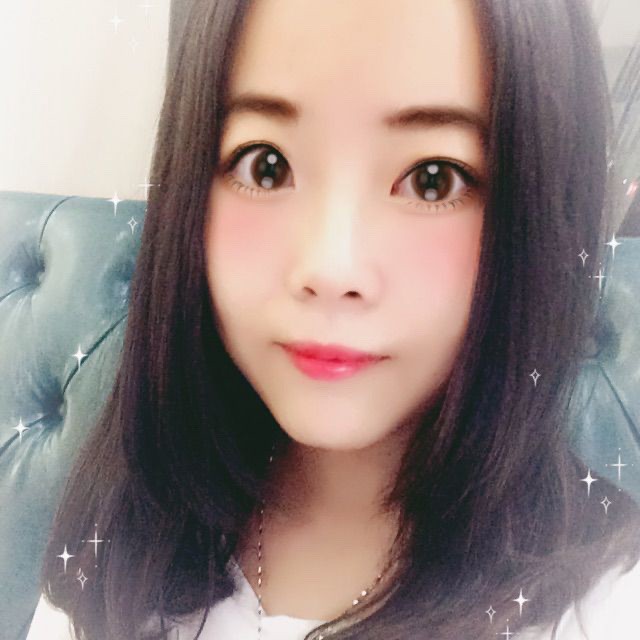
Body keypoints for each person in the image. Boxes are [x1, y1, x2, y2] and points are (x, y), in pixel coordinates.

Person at [26, 0, 640, 639]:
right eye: (265, 165)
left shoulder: (607, 605)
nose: (330, 267)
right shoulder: (124, 527)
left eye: (432, 179)